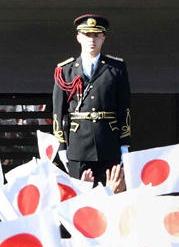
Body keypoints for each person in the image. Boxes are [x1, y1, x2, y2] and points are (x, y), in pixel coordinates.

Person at [52, 14, 131, 180]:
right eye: (87, 35)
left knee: (110, 195)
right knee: (80, 198)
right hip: (78, 145)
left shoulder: (116, 68)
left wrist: (125, 143)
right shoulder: (65, 70)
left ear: (103, 38)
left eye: (96, 35)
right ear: (78, 37)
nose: (92, 40)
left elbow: (124, 107)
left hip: (108, 143)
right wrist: (61, 146)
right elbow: (58, 111)